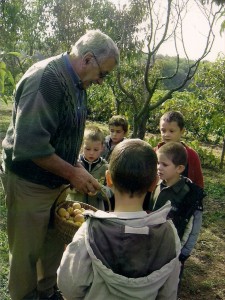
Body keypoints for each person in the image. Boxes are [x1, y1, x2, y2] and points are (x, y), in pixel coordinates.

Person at [0, 29, 119, 300]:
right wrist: (73, 173)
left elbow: (61, 132)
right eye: (103, 74)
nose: (101, 81)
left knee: (52, 243)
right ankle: (24, 295)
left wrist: (73, 165)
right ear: (88, 59)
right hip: (30, 182)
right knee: (26, 250)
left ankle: (45, 290)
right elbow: (30, 146)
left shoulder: (78, 84)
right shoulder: (46, 80)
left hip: (56, 180)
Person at [57, 139, 181, 300]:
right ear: (154, 183)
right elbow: (168, 294)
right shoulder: (169, 235)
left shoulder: (90, 231)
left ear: (108, 179)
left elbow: (69, 287)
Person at [146, 142, 205, 279]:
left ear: (179, 168)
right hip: (151, 246)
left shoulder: (190, 195)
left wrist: (183, 253)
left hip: (173, 252)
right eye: (157, 163)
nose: (159, 168)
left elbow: (193, 228)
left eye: (164, 165)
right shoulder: (157, 184)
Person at [68, 125, 112, 210]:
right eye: (87, 149)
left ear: (102, 148)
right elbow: (64, 187)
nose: (91, 153)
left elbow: (110, 192)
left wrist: (98, 190)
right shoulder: (74, 164)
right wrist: (75, 187)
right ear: (81, 146)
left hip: (95, 212)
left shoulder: (106, 168)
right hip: (73, 210)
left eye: (96, 150)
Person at [155, 111, 204, 188]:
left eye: (171, 131)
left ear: (182, 131)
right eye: (163, 130)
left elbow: (198, 183)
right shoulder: (155, 152)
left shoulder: (191, 155)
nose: (166, 134)